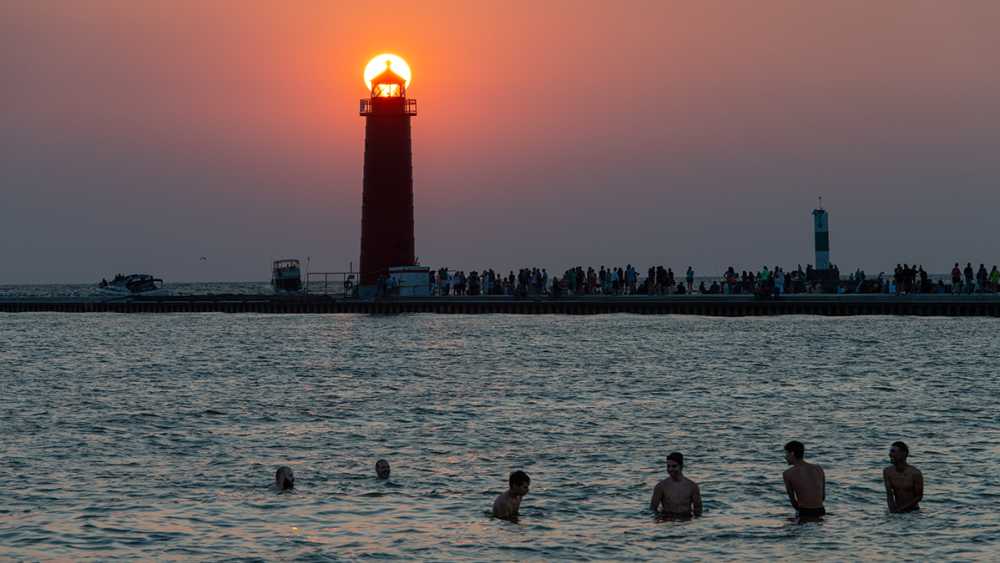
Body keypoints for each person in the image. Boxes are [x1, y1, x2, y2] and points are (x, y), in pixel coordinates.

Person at [650, 452, 703, 518]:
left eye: (674, 466)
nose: (670, 469)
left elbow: (698, 510)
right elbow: (653, 509)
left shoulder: (692, 486)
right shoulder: (660, 487)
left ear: (681, 466)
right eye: (668, 466)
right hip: (667, 521)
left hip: (686, 521)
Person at [782, 441, 825, 519]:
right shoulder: (818, 468)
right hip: (821, 510)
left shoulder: (788, 473)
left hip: (805, 511)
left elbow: (793, 502)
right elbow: (822, 497)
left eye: (786, 454)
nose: (785, 457)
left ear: (792, 454)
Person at [883, 441, 923, 513]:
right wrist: (892, 511)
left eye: (893, 452)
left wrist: (901, 510)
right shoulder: (887, 472)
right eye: (890, 452)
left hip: (913, 512)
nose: (890, 454)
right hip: (896, 510)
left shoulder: (915, 473)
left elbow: (919, 497)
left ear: (903, 454)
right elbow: (889, 494)